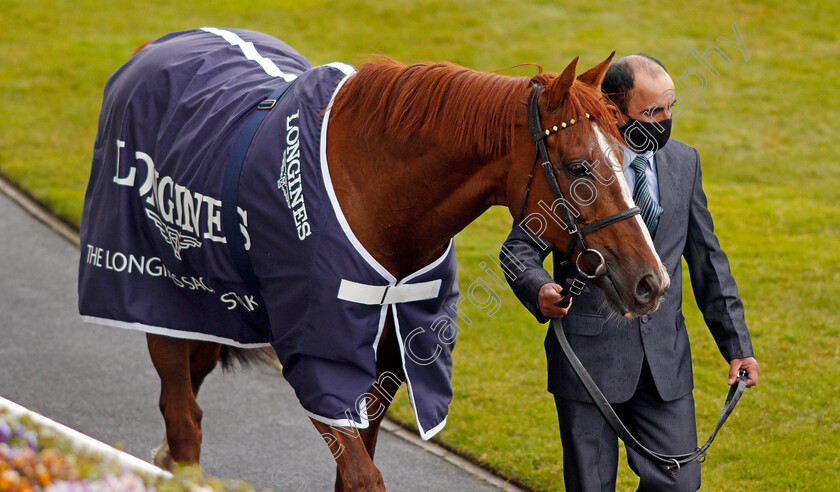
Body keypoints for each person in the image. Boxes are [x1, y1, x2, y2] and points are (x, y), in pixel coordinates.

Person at [500, 54, 759, 491]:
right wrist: (539, 287)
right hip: (588, 363)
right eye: (652, 112)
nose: (665, 120)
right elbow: (517, 252)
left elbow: (709, 263)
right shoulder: (578, 166)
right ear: (615, 112)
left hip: (665, 366)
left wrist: (737, 346)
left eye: (669, 108)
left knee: (680, 485)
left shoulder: (683, 162)